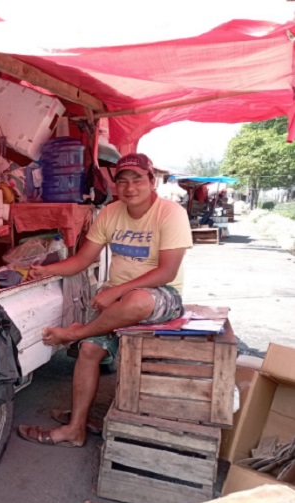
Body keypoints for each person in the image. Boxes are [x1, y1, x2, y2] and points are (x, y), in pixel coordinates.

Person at [17, 153, 193, 447]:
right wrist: (45, 270)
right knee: (88, 350)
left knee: (135, 300)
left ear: (152, 181)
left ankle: (76, 333)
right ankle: (75, 429)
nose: (130, 187)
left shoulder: (170, 213)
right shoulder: (110, 213)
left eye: (137, 179)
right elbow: (83, 260)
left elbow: (167, 271)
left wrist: (114, 292)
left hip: (162, 297)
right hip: (118, 300)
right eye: (122, 181)